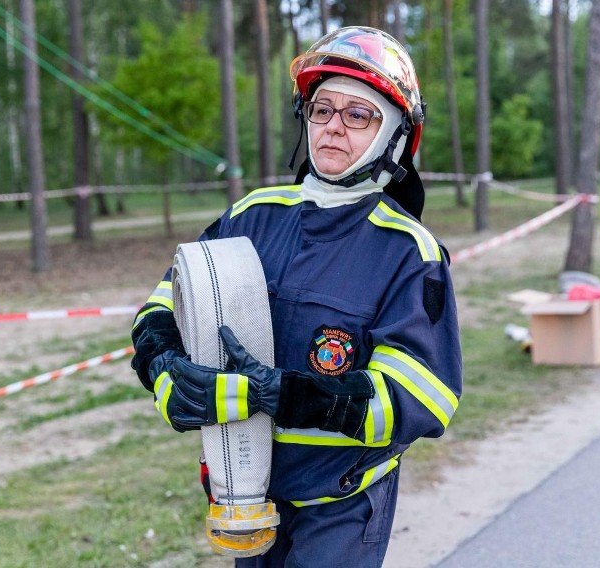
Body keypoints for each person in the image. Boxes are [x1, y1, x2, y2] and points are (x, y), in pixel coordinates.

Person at [130, 26, 462, 567]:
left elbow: (425, 397)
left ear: (396, 135)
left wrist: (284, 395)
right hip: (245, 489)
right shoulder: (251, 215)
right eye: (322, 108)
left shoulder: (409, 251)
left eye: (359, 115)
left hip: (341, 504)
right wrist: (165, 371)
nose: (333, 127)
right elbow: (163, 306)